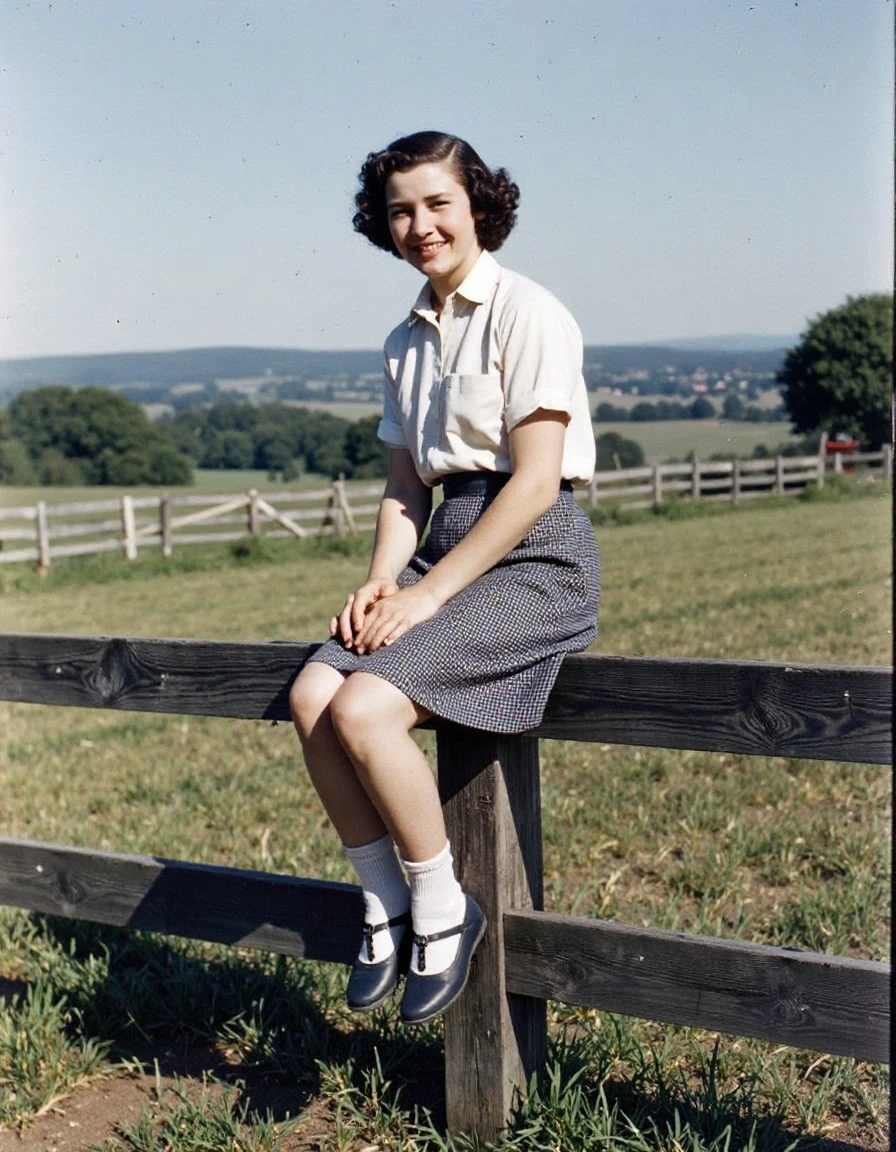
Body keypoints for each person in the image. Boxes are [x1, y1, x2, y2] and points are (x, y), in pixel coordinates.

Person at [289, 130, 599, 1025]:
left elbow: (536, 484)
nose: (420, 225)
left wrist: (426, 596)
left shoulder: (526, 311)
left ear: (477, 207)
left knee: (364, 707)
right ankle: (383, 900)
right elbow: (402, 488)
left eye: (437, 204)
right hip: (439, 549)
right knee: (315, 692)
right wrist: (384, 584)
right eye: (400, 211)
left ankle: (442, 907)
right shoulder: (403, 338)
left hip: (532, 553)